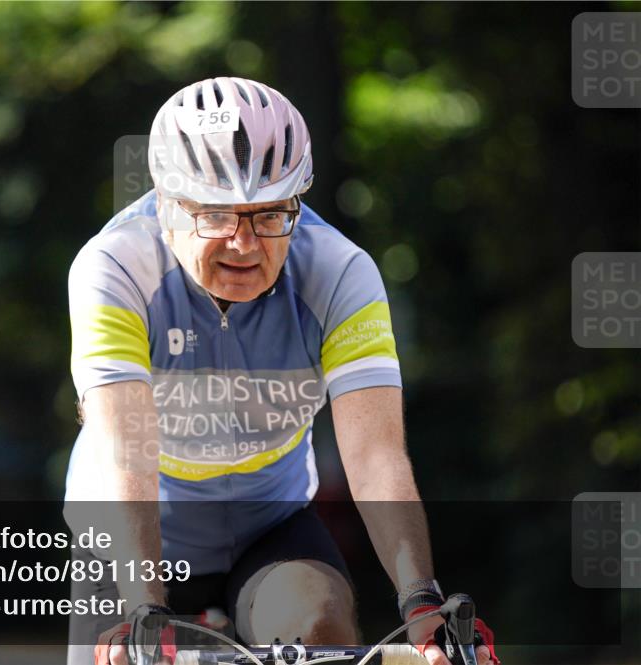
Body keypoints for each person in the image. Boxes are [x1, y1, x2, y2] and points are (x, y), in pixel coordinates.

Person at [63, 77, 499, 665]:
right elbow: (126, 453)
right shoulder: (114, 267)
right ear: (166, 203)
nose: (244, 244)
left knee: (317, 622)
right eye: (216, 216)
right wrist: (144, 609)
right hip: (135, 528)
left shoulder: (340, 271)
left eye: (269, 214)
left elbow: (375, 457)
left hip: (268, 526)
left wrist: (420, 601)